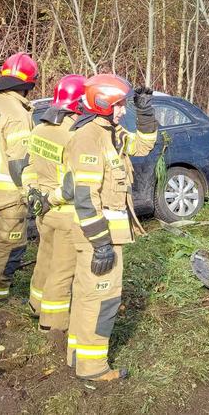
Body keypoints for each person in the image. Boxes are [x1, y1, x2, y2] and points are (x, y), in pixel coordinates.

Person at [66, 74, 157, 381]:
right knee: (102, 300)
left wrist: (145, 112)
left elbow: (143, 146)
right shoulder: (89, 137)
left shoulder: (111, 132)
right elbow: (85, 198)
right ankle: (93, 368)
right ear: (102, 103)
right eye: (118, 105)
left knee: (86, 296)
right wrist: (101, 242)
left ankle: (78, 358)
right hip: (97, 236)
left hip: (103, 235)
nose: (122, 111)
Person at [24, 75, 86, 331]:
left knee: (45, 259)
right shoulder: (74, 136)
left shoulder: (38, 129)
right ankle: (53, 324)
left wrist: (34, 195)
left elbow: (27, 167)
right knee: (63, 270)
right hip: (65, 212)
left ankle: (35, 305)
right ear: (80, 104)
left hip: (43, 211)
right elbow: (75, 183)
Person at [0, 53, 38, 300]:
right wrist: (28, 193)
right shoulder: (18, 114)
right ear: (28, 85)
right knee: (10, 243)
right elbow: (19, 161)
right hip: (7, 192)